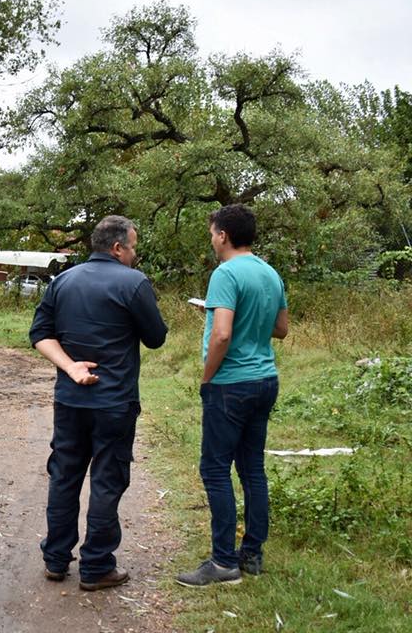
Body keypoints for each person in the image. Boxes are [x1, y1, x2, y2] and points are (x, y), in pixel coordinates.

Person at [29, 215, 167, 591]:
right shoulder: (133, 283)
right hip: (115, 402)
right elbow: (156, 338)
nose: (135, 254)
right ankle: (96, 566)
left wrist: (71, 366)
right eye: (134, 246)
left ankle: (55, 560)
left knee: (64, 476)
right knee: (107, 480)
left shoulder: (63, 280)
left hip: (71, 400)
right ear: (118, 247)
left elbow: (39, 334)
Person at [176, 204, 289, 587]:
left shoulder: (225, 274)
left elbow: (221, 334)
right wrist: (251, 322)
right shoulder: (270, 273)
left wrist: (208, 377)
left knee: (214, 468)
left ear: (223, 234)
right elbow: (281, 328)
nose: (211, 239)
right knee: (252, 468)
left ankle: (224, 562)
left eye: (212, 233)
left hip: (231, 384)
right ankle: (251, 554)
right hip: (265, 379)